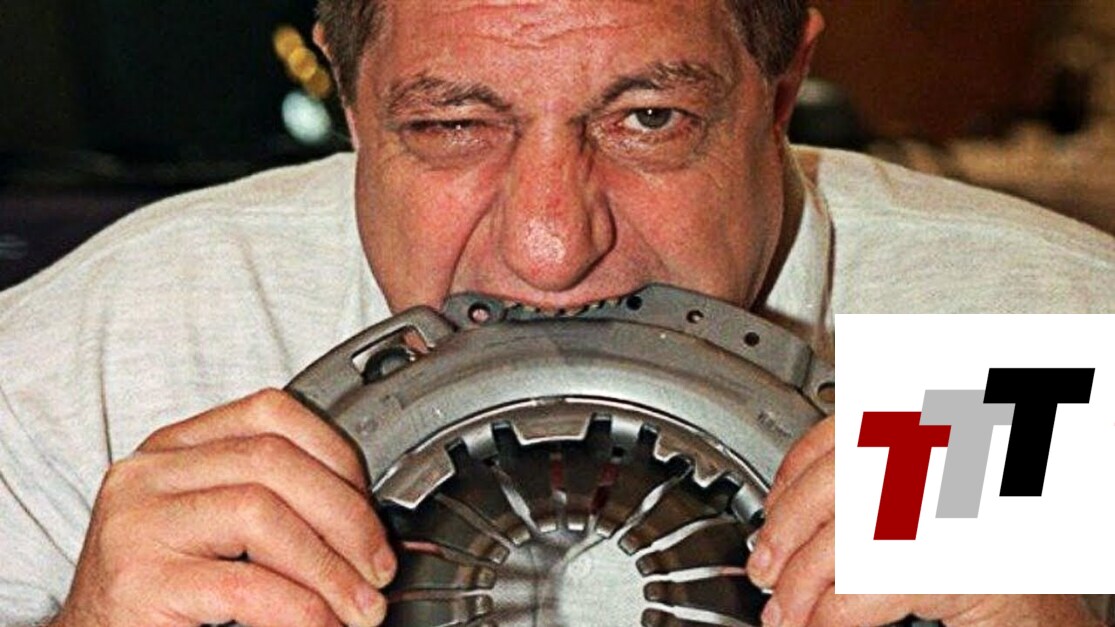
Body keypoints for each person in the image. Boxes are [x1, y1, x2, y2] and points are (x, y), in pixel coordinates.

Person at [0, 1, 1111, 625]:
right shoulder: (115, 347)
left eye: (649, 118)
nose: (550, 249)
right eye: (450, 127)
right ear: (350, 101)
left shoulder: (1045, 339)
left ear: (778, 94)